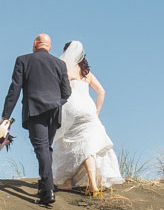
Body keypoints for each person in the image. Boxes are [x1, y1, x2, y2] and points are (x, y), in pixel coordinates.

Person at [0, 33, 72, 206]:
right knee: (46, 148)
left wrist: (5, 116)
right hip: (54, 110)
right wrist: (55, 101)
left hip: (35, 110)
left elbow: (14, 90)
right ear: (49, 46)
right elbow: (67, 92)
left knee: (41, 148)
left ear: (34, 45)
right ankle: (45, 184)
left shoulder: (23, 60)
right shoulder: (60, 64)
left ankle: (48, 191)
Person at [52, 40, 125, 196]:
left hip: (71, 109)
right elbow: (102, 92)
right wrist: (97, 111)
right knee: (87, 147)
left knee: (68, 144)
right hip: (88, 110)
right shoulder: (86, 73)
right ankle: (86, 183)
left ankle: (69, 181)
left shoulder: (64, 69)